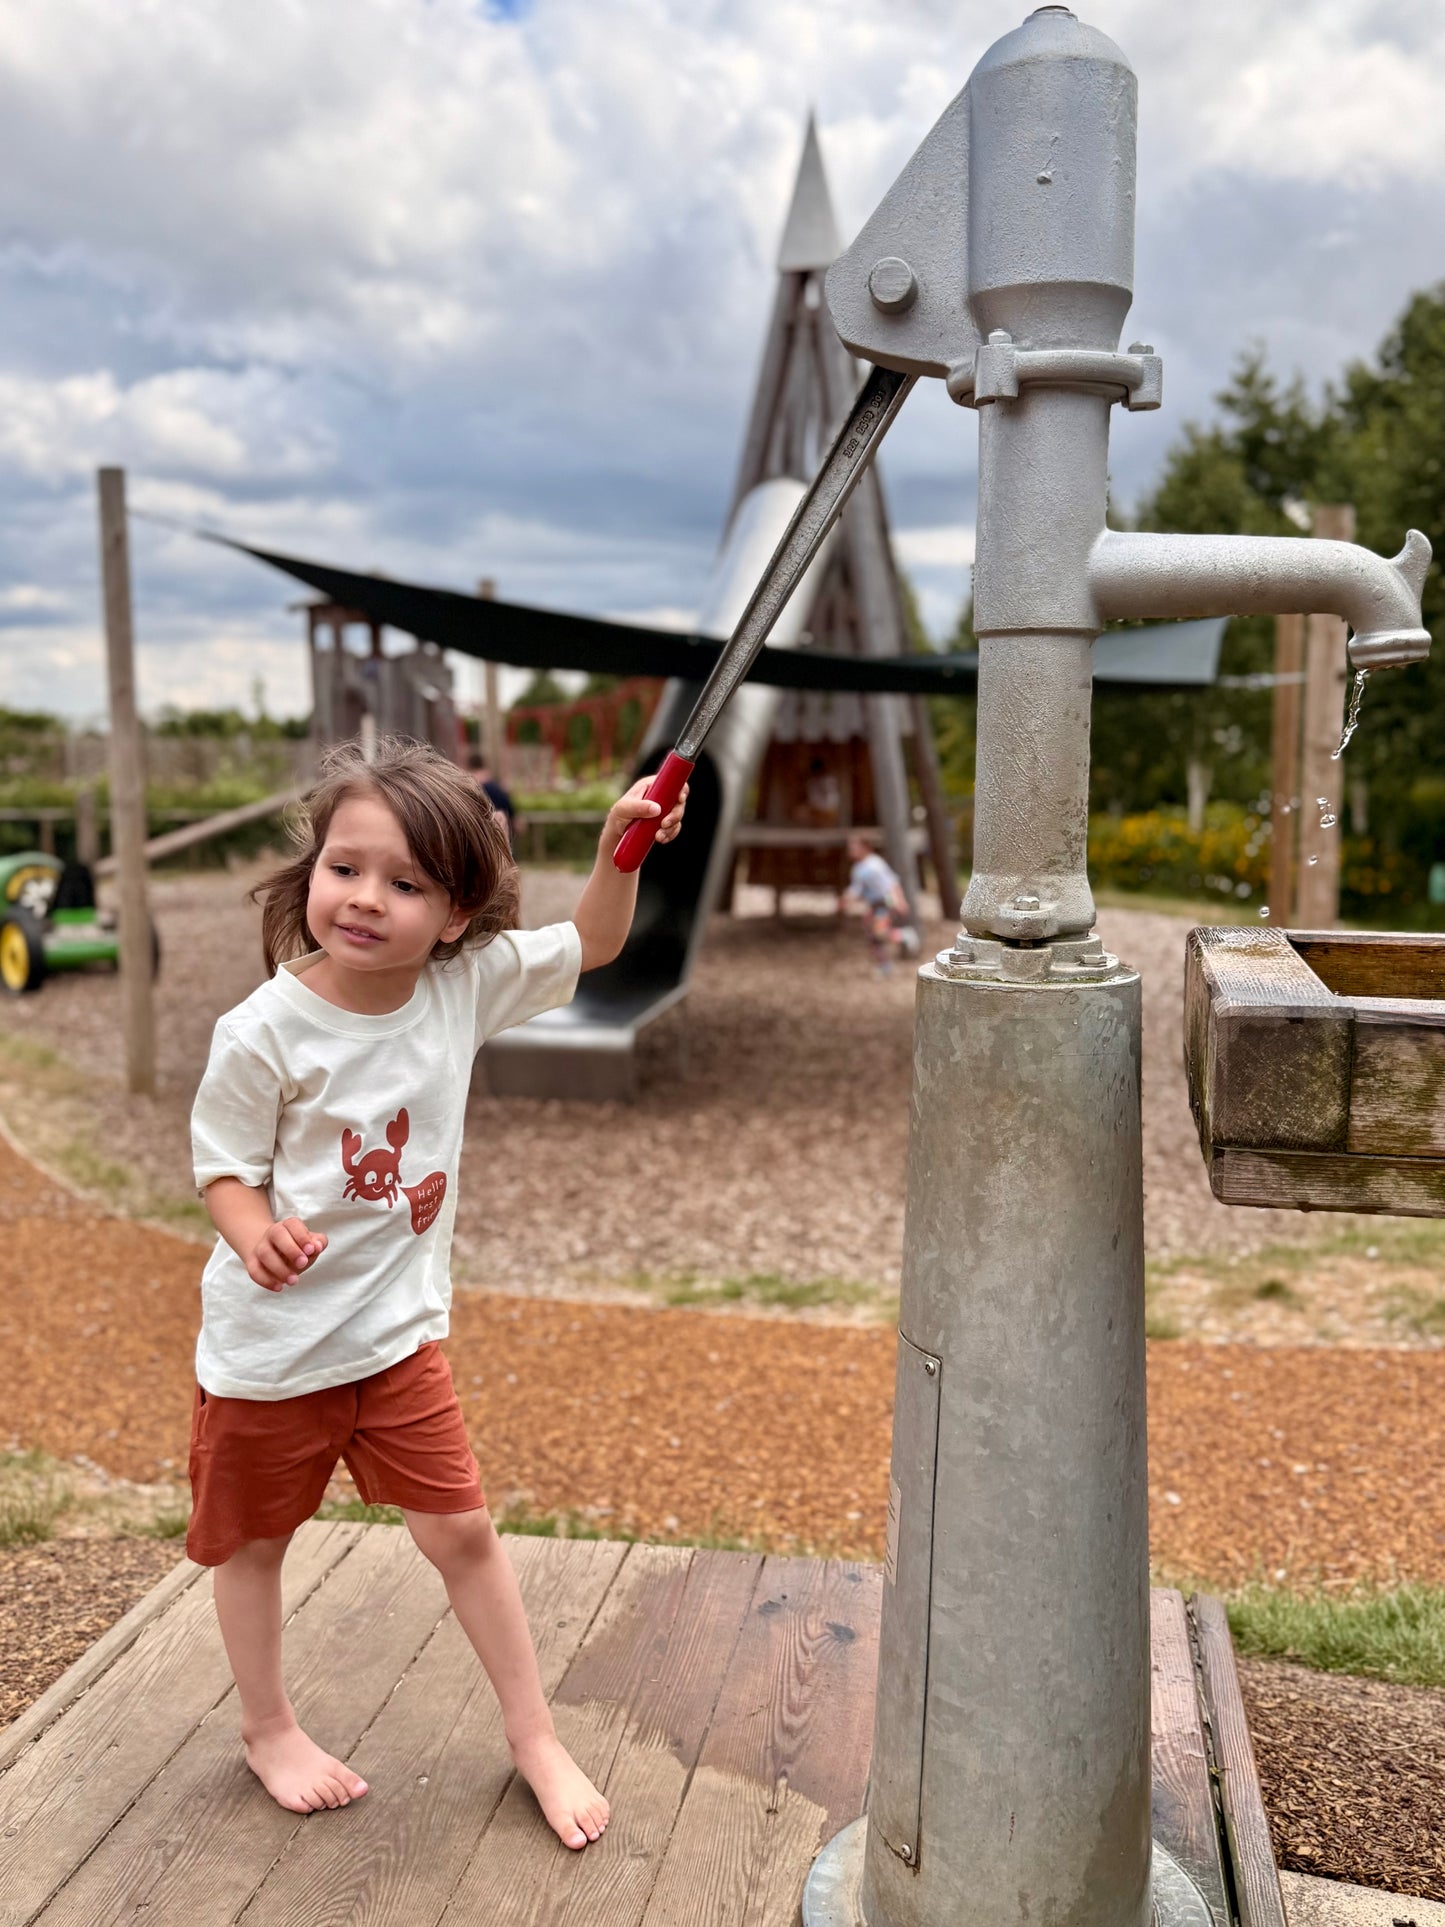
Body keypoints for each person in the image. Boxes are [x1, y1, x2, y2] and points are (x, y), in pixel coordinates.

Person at [187, 735, 686, 1844]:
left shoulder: (462, 988)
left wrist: (620, 853)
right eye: (346, 867)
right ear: (311, 872)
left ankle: (532, 1735)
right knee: (252, 1545)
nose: (365, 898)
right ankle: (267, 1727)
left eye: (406, 883)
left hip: (395, 1342)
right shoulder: (261, 1030)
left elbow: (599, 938)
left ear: (456, 914)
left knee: (462, 1530)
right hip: (270, 1351)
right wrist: (253, 1229)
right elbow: (222, 1165)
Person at [842, 831, 921, 977]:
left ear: (864, 847)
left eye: (854, 846)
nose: (850, 849)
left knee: (880, 932)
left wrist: (899, 900)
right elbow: (856, 890)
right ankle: (884, 965)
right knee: (872, 934)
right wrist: (847, 900)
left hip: (885, 902)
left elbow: (892, 883)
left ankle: (905, 936)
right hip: (874, 905)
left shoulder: (875, 864)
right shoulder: (858, 868)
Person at [467, 749, 516, 847]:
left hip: (480, 829)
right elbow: (507, 803)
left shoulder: (470, 785)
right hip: (500, 825)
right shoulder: (493, 783)